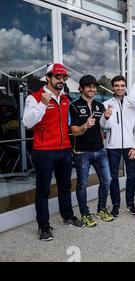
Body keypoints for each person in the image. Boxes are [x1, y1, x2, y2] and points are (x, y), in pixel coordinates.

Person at [23, 63, 84, 241]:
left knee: (65, 187)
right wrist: (43, 104)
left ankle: (68, 216)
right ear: (48, 78)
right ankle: (43, 227)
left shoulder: (65, 99)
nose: (60, 80)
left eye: (63, 77)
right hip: (44, 152)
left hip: (64, 150)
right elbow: (27, 122)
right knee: (43, 190)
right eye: (57, 77)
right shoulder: (34, 98)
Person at [70, 75, 114, 227]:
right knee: (82, 185)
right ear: (81, 88)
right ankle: (85, 214)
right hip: (82, 152)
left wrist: (106, 118)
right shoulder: (74, 105)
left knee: (107, 180)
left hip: (100, 150)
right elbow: (74, 131)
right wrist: (85, 126)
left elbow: (101, 126)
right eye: (88, 86)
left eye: (94, 86)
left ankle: (101, 209)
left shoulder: (99, 106)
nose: (92, 89)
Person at [100, 75, 135, 217]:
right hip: (113, 146)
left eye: (122, 85)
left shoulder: (132, 103)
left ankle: (130, 204)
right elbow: (101, 126)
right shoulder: (106, 104)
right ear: (113, 87)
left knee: (131, 176)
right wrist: (105, 116)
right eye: (116, 85)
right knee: (113, 177)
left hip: (130, 146)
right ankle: (116, 205)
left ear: (126, 87)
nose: (119, 88)